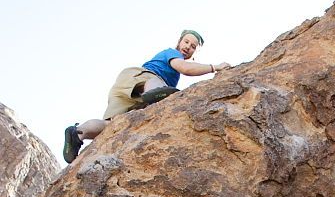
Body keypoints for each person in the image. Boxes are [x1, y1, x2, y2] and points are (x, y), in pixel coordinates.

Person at [63, 29, 231, 163]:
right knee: (156, 85)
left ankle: (78, 133)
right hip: (142, 77)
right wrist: (215, 67)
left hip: (124, 86)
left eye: (193, 46)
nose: (188, 46)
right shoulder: (172, 53)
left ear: (195, 52)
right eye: (186, 42)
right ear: (178, 42)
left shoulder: (174, 56)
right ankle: (154, 93)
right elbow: (185, 68)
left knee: (111, 124)